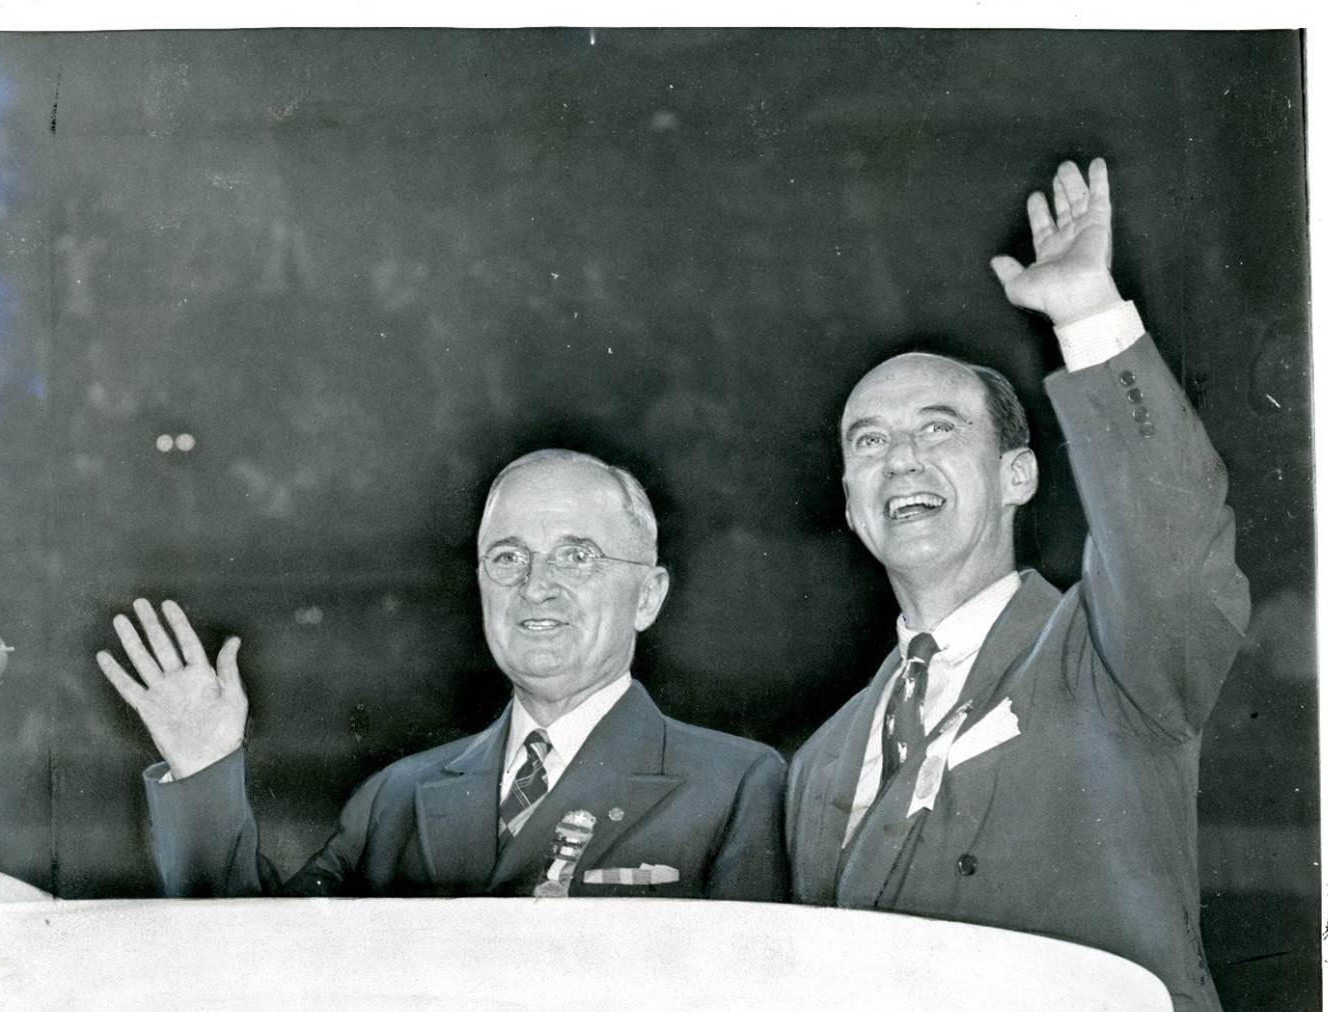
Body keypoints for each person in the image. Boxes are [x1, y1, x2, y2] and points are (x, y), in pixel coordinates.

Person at [785, 159, 1248, 1012]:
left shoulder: (1111, 657)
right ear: (850, 507)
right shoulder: (817, 764)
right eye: (869, 443)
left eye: (938, 427)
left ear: (1018, 476)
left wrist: (1085, 313)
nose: (903, 460)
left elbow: (1171, 543)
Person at [99, 449, 789, 900]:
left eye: (577, 556)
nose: (536, 586)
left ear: (647, 595)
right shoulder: (396, 798)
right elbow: (257, 962)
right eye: (507, 559)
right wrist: (203, 770)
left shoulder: (737, 786)